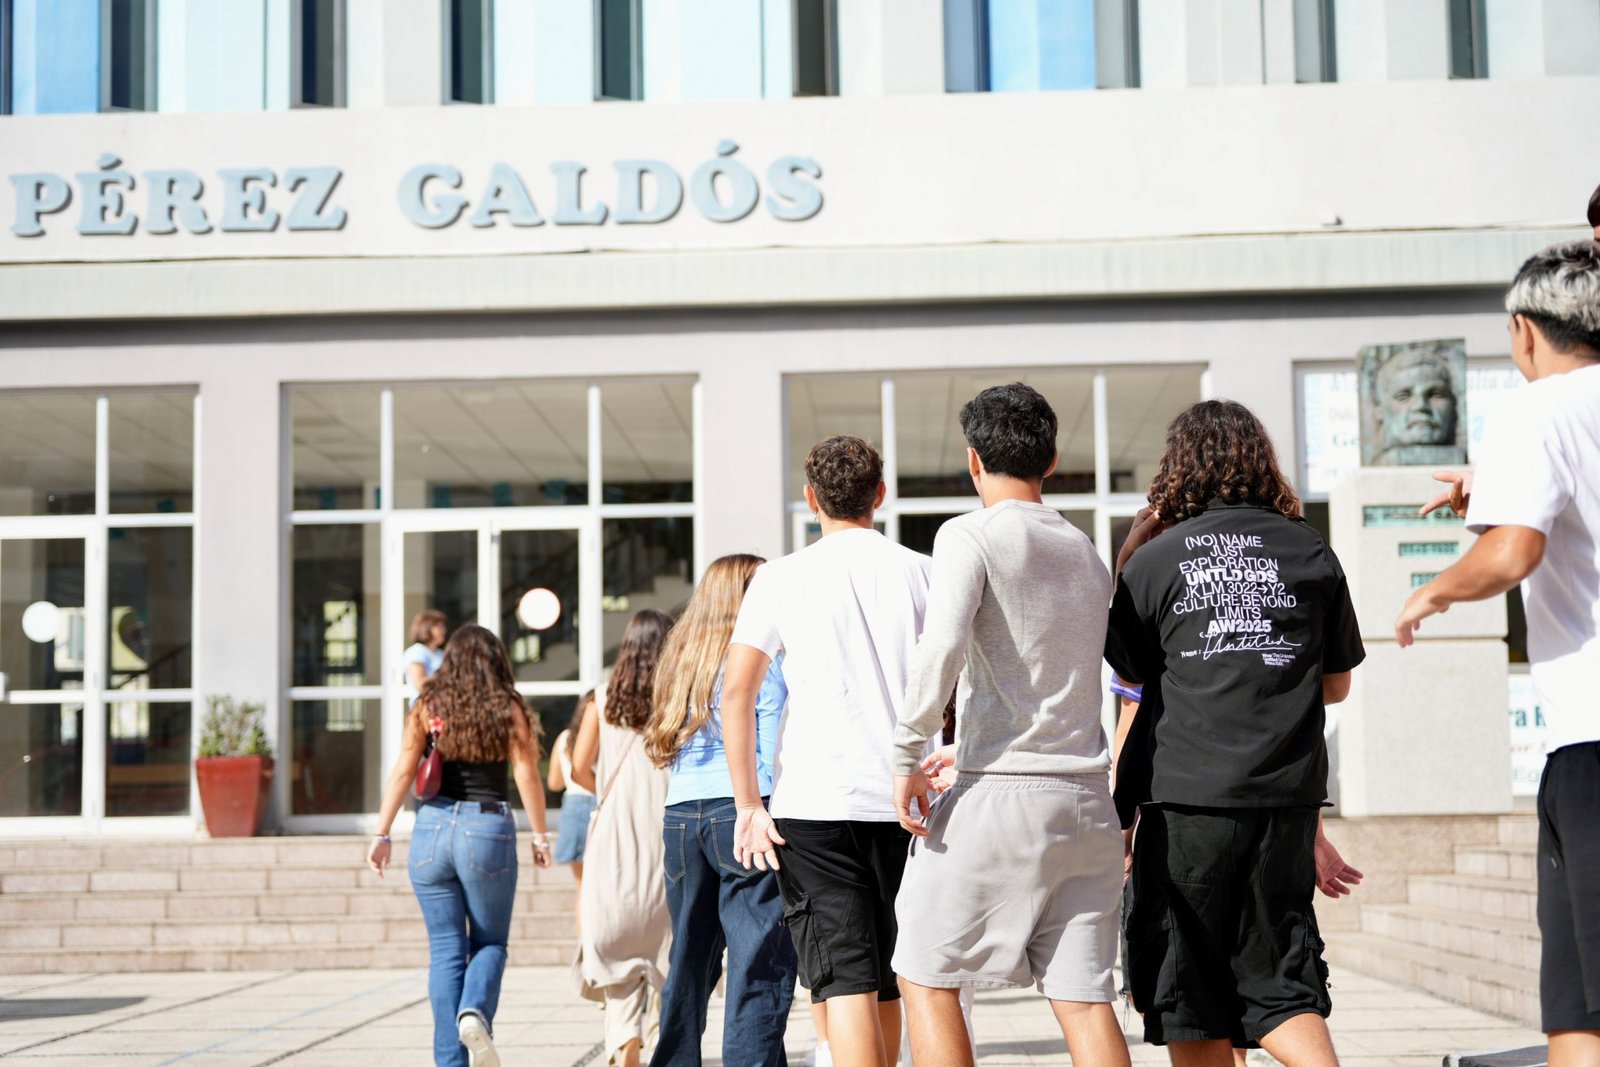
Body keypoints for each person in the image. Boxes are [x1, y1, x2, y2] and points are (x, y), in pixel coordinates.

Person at [1105, 399, 1365, 1067]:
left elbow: (1129, 672)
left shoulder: (1156, 560)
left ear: (1179, 466)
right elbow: (1336, 685)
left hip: (1186, 802)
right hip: (1285, 803)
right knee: (1282, 983)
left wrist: (1129, 554)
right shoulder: (1309, 547)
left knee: (1189, 994)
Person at [1396, 240, 1600, 1067]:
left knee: (1578, 1005)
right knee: (1576, 1005)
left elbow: (1514, 550)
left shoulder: (1537, 408)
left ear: (1524, 331)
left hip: (1591, 736)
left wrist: (1433, 591)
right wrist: (1487, 484)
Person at [889, 383, 1130, 1067]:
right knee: (1085, 998)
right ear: (1051, 460)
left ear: (973, 460)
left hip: (1001, 799)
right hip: (1086, 802)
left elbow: (941, 648)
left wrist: (909, 750)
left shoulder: (970, 533)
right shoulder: (1083, 548)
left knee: (926, 972)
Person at [722, 433, 933, 1067]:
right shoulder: (923, 570)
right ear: (882, 494)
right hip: (908, 799)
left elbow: (737, 693)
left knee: (843, 975)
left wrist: (747, 804)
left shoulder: (780, 578)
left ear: (810, 497)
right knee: (898, 968)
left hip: (814, 804)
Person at [367, 623, 554, 1067]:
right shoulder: (507, 707)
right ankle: (475, 1012)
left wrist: (381, 833)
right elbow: (526, 774)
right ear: (496, 661)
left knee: (446, 952)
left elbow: (401, 771)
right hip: (486, 829)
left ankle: (451, 1062)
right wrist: (541, 835)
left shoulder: (428, 705)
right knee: (490, 943)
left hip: (430, 830)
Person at [643, 554, 798, 1067]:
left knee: (688, 960)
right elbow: (773, 740)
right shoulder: (761, 659)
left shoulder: (681, 659)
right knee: (757, 964)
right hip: (747, 810)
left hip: (682, 815)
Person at [572, 610, 675, 1067]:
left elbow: (577, 766)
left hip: (615, 830)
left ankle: (624, 1041)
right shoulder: (678, 695)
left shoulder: (601, 698)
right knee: (667, 946)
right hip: (667, 826)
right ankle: (660, 1035)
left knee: (617, 944)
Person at [547, 690, 598, 933]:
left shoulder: (564, 738)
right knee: (602, 887)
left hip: (572, 807)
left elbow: (554, 783)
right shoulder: (603, 735)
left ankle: (584, 948)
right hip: (598, 805)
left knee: (582, 888)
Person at [405, 609, 449, 694]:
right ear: (426, 628)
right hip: (425, 703)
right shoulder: (417, 652)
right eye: (439, 627)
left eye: (443, 627)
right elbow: (419, 684)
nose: (444, 630)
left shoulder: (440, 653)